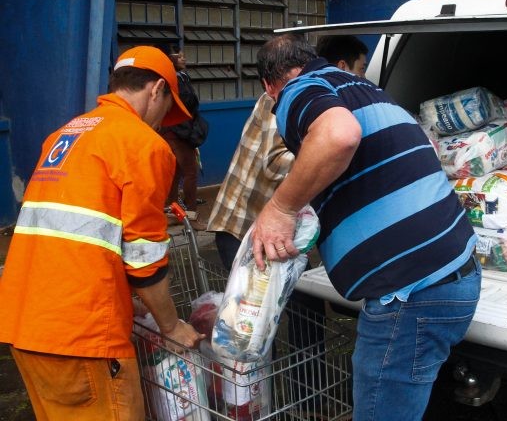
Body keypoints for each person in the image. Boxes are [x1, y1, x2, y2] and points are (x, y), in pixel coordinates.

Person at [252, 34, 480, 421]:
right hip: (452, 273)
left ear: (267, 87)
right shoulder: (362, 88)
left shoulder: (297, 90)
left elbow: (338, 136)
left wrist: (280, 208)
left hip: (413, 293)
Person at [0, 46, 205, 420]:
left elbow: (82, 234)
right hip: (82, 335)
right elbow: (144, 256)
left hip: (24, 323)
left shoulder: (67, 135)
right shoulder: (142, 144)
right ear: (156, 89)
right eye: (166, 110)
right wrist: (171, 326)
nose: (163, 123)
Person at [206, 92, 293, 270]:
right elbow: (275, 163)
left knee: (302, 292)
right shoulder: (281, 95)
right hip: (241, 226)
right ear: (342, 65)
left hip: (274, 229)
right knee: (258, 296)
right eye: (361, 68)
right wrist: (324, 153)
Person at [160, 44, 208, 231]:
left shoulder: (181, 76)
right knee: (191, 171)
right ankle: (192, 215)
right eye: (177, 55)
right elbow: (186, 104)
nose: (183, 57)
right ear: (169, 59)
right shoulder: (172, 79)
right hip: (177, 131)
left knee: (176, 172)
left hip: (179, 130)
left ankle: (171, 213)